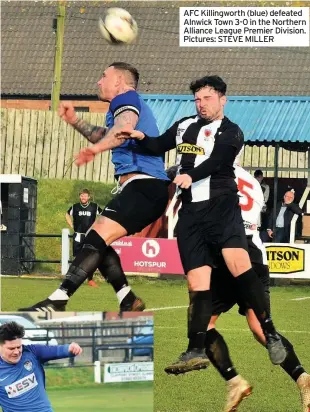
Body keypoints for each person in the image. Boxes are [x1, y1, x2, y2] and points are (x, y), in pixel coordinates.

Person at [74, 74, 287, 373]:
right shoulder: (185, 125)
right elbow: (159, 145)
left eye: (208, 98)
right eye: (197, 99)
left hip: (221, 209)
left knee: (241, 268)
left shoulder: (232, 132)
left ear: (223, 99)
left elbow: (218, 162)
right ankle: (194, 350)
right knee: (197, 283)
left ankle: (271, 331)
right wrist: (142, 139)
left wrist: (191, 175)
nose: (201, 104)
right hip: (190, 216)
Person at [19, 62, 170, 312]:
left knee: (94, 239)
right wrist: (74, 120)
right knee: (95, 240)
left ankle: (59, 299)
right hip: (143, 188)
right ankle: (127, 298)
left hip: (145, 186)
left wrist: (94, 151)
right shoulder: (123, 104)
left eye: (104, 76)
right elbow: (105, 133)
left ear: (119, 81)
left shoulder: (127, 98)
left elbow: (122, 130)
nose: (99, 82)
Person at [203, 166, 310, 412]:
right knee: (261, 329)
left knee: (202, 323)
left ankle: (235, 382)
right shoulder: (251, 181)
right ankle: (303, 378)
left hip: (230, 254)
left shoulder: (209, 172)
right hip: (256, 254)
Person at [0, 321, 82, 412]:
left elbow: (58, 350)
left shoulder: (32, 352)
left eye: (19, 347)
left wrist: (71, 348)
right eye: (11, 348)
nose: (16, 352)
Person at [66, 188, 102, 288]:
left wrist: (98, 226)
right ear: (79, 196)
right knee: (77, 257)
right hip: (78, 235)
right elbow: (67, 214)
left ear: (89, 197)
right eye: (81, 195)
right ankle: (73, 278)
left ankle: (90, 279)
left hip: (90, 235)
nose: (83, 197)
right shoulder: (75, 206)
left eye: (85, 195)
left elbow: (103, 216)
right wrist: (71, 224)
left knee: (91, 257)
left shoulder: (94, 207)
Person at [254, 169, 270, 241]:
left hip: (261, 206)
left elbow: (265, 199)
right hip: (253, 206)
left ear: (262, 177)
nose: (259, 179)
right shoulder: (251, 186)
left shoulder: (265, 187)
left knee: (263, 224)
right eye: (257, 177)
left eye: (260, 177)